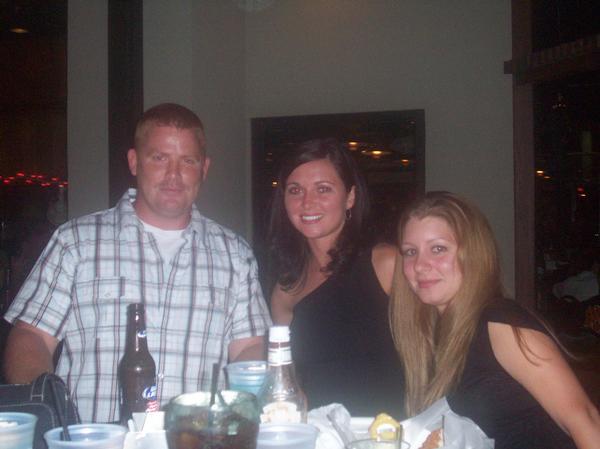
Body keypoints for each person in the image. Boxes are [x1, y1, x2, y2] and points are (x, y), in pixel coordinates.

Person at [3, 103, 271, 423]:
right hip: (96, 441)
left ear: (204, 168)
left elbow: (248, 349)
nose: (173, 175)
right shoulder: (76, 241)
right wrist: (47, 412)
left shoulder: (235, 254)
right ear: (134, 162)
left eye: (187, 161)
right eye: (159, 158)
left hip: (195, 440)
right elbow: (30, 337)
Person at [390, 191, 600, 449]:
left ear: (472, 253)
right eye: (410, 252)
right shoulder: (429, 333)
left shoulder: (501, 323)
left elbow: (584, 420)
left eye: (438, 249)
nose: (420, 265)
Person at [267, 138, 404, 416]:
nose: (307, 202)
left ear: (350, 197)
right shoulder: (285, 291)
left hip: (388, 434)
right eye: (295, 190)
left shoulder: (386, 263)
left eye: (323, 189)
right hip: (321, 436)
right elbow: (290, 382)